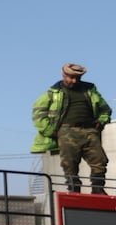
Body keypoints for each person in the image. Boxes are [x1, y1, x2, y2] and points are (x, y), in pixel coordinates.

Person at [31, 63, 111, 194]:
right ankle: (74, 190)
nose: (74, 81)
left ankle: (98, 189)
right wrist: (50, 130)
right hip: (66, 131)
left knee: (100, 160)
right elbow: (38, 112)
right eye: (71, 77)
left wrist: (101, 122)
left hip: (90, 130)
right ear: (64, 75)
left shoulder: (90, 90)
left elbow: (105, 109)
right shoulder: (53, 92)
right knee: (69, 164)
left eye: (77, 78)